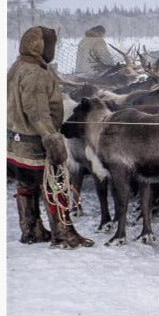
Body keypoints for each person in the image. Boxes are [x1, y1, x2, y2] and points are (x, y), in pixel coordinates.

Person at [7, 26, 94, 248]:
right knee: (56, 187)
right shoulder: (36, 73)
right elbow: (36, 111)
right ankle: (63, 235)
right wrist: (52, 139)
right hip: (37, 143)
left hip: (16, 142)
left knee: (26, 186)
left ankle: (31, 230)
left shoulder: (18, 66)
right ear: (41, 47)